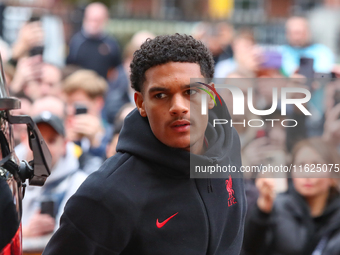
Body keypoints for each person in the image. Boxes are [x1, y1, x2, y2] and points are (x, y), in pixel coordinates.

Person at [43, 33, 246, 254]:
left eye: (191, 92)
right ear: (140, 103)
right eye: (161, 95)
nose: (178, 106)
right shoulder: (105, 194)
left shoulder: (228, 150)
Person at [243, 137, 340, 255]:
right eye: (300, 165)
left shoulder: (336, 215)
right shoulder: (277, 207)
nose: (307, 174)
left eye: (316, 165)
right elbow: (250, 249)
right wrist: (262, 211)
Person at [20, 111, 87, 252]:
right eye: (36, 140)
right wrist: (25, 232)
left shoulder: (79, 183)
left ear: (64, 145)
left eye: (51, 141)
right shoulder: (8, 177)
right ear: (24, 140)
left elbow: (74, 240)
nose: (42, 149)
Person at [63, 69, 108, 166]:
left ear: (98, 103)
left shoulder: (112, 137)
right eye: (67, 104)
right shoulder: (62, 135)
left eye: (76, 104)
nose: (70, 110)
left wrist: (95, 144)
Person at [66, 2, 121, 78]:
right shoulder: (76, 42)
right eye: (91, 19)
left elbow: (117, 69)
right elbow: (69, 65)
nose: (94, 24)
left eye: (97, 20)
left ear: (106, 20)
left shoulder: (111, 43)